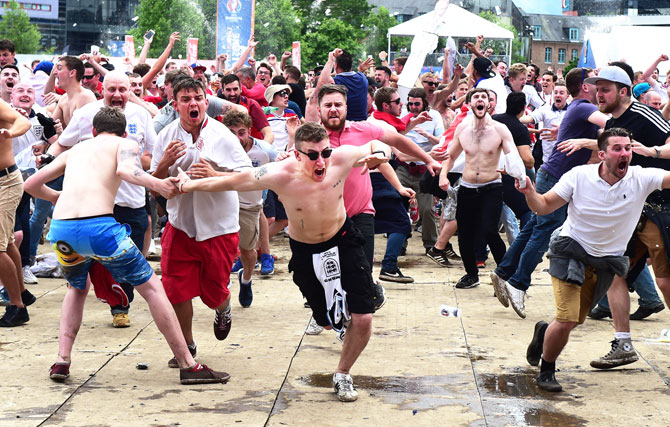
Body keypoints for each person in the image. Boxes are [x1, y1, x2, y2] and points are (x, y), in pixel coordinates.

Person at [175, 121, 391, 402]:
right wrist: (188, 184)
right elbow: (231, 181)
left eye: (325, 153)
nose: (321, 161)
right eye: (312, 155)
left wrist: (382, 155)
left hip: (344, 239)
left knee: (363, 318)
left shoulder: (340, 158)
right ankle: (336, 315)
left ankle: (342, 373)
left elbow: (377, 144)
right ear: (297, 154)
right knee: (327, 323)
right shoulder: (279, 173)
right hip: (305, 251)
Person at [24, 107, 229, 384]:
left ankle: (62, 361)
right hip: (99, 229)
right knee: (153, 289)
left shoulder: (75, 150)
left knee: (76, 288)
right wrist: (159, 183)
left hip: (62, 232)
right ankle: (187, 364)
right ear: (123, 132)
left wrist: (57, 197)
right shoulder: (125, 143)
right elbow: (126, 169)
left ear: (94, 131)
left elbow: (32, 184)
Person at [522, 128, 670, 392]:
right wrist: (529, 192)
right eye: (617, 148)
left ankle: (544, 334)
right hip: (570, 252)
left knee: (575, 320)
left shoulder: (642, 177)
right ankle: (547, 369)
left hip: (606, 263)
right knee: (567, 318)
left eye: (628, 148)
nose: (625, 153)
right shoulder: (579, 176)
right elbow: (543, 206)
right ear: (602, 154)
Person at [491, 67, 607, 318]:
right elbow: (612, 127)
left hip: (552, 175)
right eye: (596, 83)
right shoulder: (585, 107)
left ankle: (503, 272)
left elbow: (601, 134)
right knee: (543, 229)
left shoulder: (577, 108)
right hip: (556, 178)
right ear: (585, 87)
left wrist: (586, 139)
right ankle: (518, 283)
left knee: (534, 225)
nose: (600, 88)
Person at [151, 77, 252, 367]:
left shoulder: (222, 134)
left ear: (206, 102)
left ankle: (224, 307)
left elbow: (246, 177)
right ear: (176, 105)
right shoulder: (166, 136)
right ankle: (187, 345)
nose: (193, 103)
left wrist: (214, 173)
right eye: (186, 99)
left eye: (198, 98)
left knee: (214, 291)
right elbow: (153, 183)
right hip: (180, 224)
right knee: (175, 290)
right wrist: (163, 164)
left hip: (218, 227)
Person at [438, 88, 526, 289]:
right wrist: (443, 175)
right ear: (469, 104)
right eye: (475, 97)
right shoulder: (462, 128)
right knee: (465, 234)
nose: (480, 100)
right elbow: (450, 155)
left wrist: (512, 170)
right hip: (467, 187)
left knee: (489, 231)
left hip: (491, 187)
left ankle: (505, 274)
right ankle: (471, 274)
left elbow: (513, 155)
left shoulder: (499, 129)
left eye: (483, 97)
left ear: (489, 104)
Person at [221, 110, 277, 306]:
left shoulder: (264, 150)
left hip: (249, 205)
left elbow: (285, 163)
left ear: (250, 131)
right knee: (221, 248)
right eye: (232, 132)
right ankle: (221, 283)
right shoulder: (218, 146)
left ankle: (246, 280)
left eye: (241, 132)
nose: (237, 138)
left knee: (248, 251)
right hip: (222, 202)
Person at [0, 99, 32, 326]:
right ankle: (22, 292)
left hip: (6, 182)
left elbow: (22, 121)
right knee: (7, 242)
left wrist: (9, 133)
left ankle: (17, 306)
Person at [50, 56, 97, 127]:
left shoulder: (86, 96)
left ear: (72, 73)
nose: (55, 73)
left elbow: (90, 131)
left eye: (59, 69)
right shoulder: (63, 99)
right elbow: (50, 126)